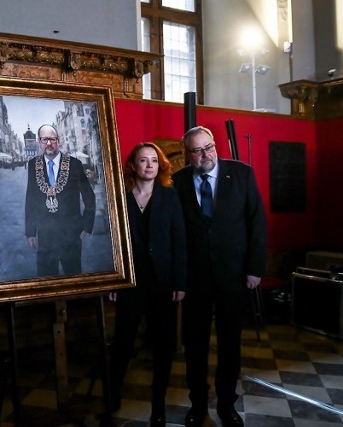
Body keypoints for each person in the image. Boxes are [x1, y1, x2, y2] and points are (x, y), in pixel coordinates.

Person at [173, 126, 266, 427]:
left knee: (230, 343)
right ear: (188, 154)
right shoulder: (178, 182)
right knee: (195, 344)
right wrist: (179, 279)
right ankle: (198, 404)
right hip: (195, 279)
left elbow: (257, 222)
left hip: (233, 276)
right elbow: (176, 233)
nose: (205, 155)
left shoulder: (241, 174)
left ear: (215, 145)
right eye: (197, 151)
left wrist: (255, 268)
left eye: (209, 147)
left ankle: (227, 404)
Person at [109, 143, 187, 427]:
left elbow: (179, 240)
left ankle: (158, 404)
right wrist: (113, 280)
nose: (149, 165)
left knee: (164, 346)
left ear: (161, 165)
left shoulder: (169, 196)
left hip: (162, 283)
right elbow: (112, 241)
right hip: (130, 283)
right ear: (134, 165)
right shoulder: (121, 196)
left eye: (154, 160)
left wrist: (180, 281)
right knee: (122, 343)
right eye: (143, 160)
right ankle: (112, 397)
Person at [25, 124, 96, 276]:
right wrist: (30, 232)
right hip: (45, 235)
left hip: (71, 234)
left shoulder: (74, 164)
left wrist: (86, 226)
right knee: (46, 280)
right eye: (44, 140)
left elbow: (89, 196)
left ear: (58, 141)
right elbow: (30, 198)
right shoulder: (32, 165)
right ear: (39, 142)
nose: (48, 144)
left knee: (74, 277)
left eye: (51, 139)